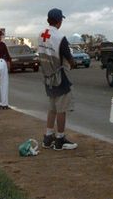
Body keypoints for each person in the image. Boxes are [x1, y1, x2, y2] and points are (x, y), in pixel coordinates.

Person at [38, 8, 77, 151]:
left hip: (47, 77)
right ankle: (60, 139)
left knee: (52, 108)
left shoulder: (41, 35)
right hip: (60, 78)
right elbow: (70, 59)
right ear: (59, 21)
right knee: (61, 109)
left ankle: (48, 137)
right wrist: (73, 64)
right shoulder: (60, 38)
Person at [0, 30, 11, 109]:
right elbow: (7, 56)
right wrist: (9, 65)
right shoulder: (2, 44)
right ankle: (4, 104)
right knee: (4, 84)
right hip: (2, 62)